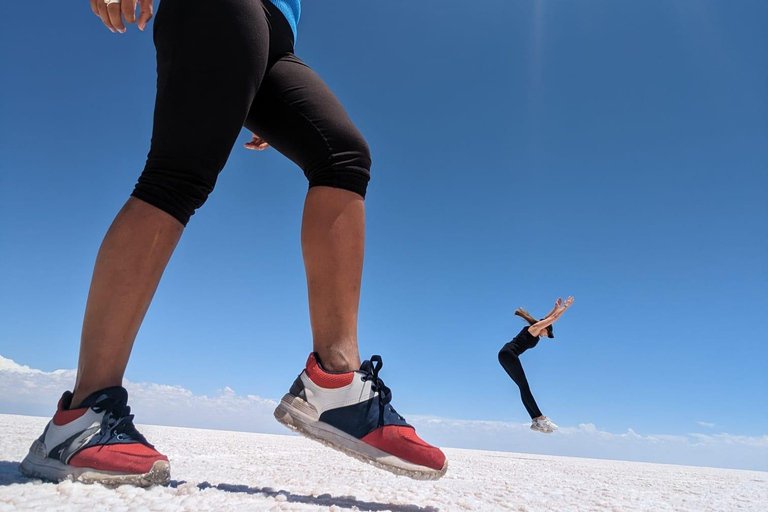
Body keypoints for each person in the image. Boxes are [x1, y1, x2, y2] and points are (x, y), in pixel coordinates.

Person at [19, 0, 447, 486]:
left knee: (343, 157)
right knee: (177, 175)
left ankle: (334, 384)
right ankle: (79, 417)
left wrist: (248, 89)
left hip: (274, 32)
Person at [498, 297, 574, 433]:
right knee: (524, 387)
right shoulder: (534, 329)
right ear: (544, 328)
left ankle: (535, 420)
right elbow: (552, 319)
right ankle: (540, 418)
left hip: (506, 355)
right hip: (508, 354)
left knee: (523, 387)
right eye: (548, 332)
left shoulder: (536, 328)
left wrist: (556, 308)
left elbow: (547, 318)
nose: (546, 335)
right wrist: (565, 307)